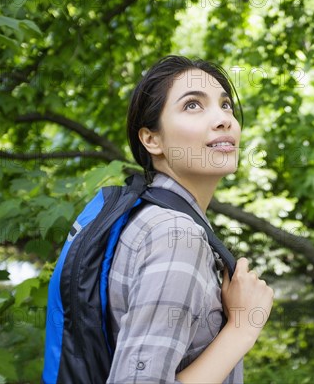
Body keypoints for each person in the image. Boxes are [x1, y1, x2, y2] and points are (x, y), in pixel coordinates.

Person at [107, 55, 274, 383]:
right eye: (193, 106)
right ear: (151, 140)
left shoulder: (145, 217)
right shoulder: (175, 236)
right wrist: (242, 327)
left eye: (225, 105)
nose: (223, 119)